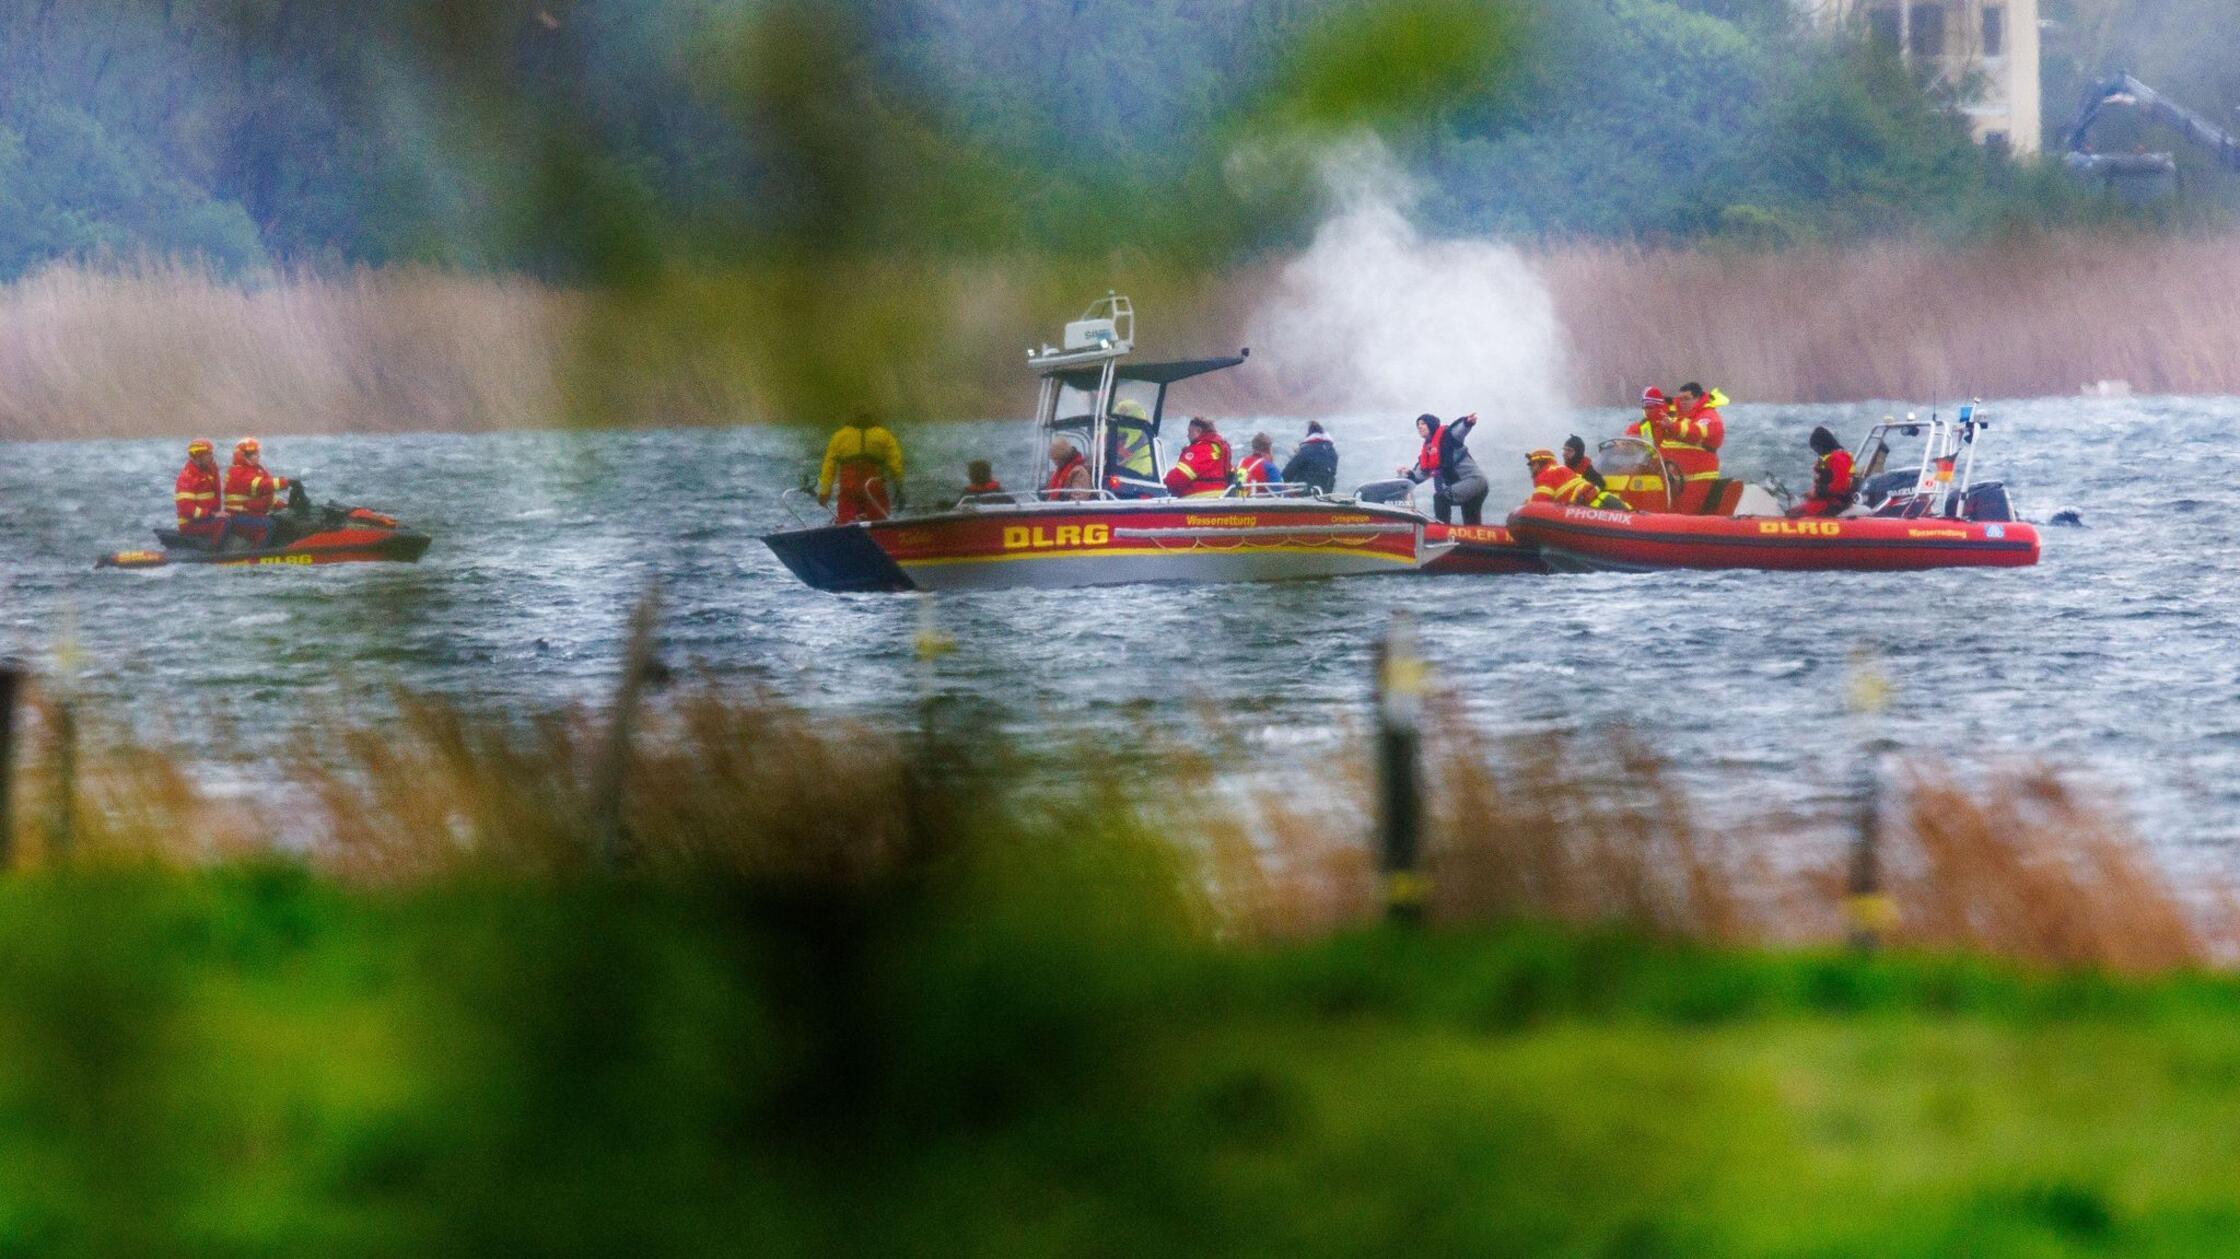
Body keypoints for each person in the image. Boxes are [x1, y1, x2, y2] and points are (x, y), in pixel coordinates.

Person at [1400, 412, 1490, 525]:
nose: (1419, 426)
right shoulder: (1427, 454)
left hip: (1474, 482)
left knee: (1440, 498)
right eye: (1418, 424)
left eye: (1423, 423)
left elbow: (1460, 430)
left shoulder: (1449, 436)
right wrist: (1406, 475)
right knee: (1471, 524)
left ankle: (1442, 529)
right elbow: (1417, 476)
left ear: (1431, 425)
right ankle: (1472, 541)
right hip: (1462, 487)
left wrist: (1467, 422)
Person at [817, 411, 905, 524]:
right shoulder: (884, 435)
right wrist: (899, 486)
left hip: (849, 485)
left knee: (846, 518)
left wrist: (825, 492)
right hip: (873, 485)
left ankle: (846, 533)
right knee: (879, 519)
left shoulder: (840, 436)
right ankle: (882, 534)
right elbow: (896, 463)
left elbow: (829, 466)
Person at [1660, 382, 1727, 512]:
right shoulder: (1680, 418)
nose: (1683, 402)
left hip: (1698, 479)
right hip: (1676, 480)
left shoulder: (1709, 416)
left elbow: (1696, 433)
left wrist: (1672, 426)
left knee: (1687, 512)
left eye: (1687, 399)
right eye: (1680, 399)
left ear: (1698, 398)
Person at [222, 438, 290, 548]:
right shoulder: (237, 472)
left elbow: (266, 495)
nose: (257, 455)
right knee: (268, 525)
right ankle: (256, 554)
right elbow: (258, 486)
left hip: (251, 514)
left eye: (257, 452)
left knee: (280, 519)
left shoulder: (258, 470)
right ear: (243, 455)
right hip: (238, 516)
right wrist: (283, 482)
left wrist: (283, 505)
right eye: (253, 453)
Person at [1526, 449, 1629, 512]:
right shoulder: (1561, 469)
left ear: (1540, 463)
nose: (1530, 468)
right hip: (1605, 499)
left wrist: (1524, 507)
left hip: (1594, 508)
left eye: (1532, 464)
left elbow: (1539, 504)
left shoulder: (1545, 475)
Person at [1792, 425, 1856, 518]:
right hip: (1825, 500)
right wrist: (1812, 493)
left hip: (1836, 502)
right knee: (1794, 511)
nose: (1817, 451)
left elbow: (1839, 486)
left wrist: (1817, 492)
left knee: (1796, 513)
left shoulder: (1838, 458)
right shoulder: (1826, 459)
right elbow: (1822, 482)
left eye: (1817, 448)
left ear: (1824, 445)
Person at [172, 439, 226, 545]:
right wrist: (212, 514)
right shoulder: (187, 477)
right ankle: (213, 551)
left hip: (207, 519)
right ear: (199, 456)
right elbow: (187, 509)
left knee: (227, 519)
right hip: (190, 524)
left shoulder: (209, 473)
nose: (212, 457)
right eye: (209, 454)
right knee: (223, 523)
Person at [1163, 417, 1233, 497]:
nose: (1187, 435)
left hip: (1197, 497)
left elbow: (1181, 475)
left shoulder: (1201, 448)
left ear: (1198, 431)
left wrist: (1162, 485)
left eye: (1189, 432)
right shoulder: (1219, 447)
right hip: (1219, 496)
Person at [1281, 420, 1338, 494]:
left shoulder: (1305, 451)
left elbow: (1286, 475)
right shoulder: (1332, 452)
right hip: (1326, 494)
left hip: (1307, 494)